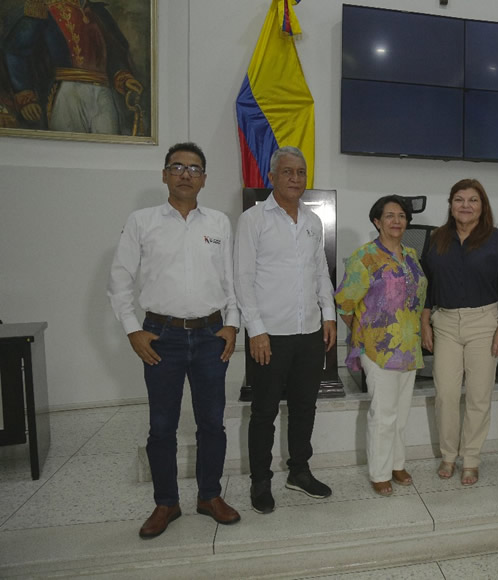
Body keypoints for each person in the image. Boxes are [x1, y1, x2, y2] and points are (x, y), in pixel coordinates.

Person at [107, 142, 240, 538]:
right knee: (162, 427)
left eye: (194, 168)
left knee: (212, 423)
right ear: (164, 174)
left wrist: (232, 324)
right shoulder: (142, 221)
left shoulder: (218, 223)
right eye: (177, 166)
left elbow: (230, 281)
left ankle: (209, 495)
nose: (186, 173)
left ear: (203, 179)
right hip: (160, 337)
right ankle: (166, 502)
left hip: (211, 337)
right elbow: (119, 279)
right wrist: (133, 328)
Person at [234, 146, 337, 514]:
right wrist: (255, 329)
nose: (295, 179)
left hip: (309, 331)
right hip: (269, 335)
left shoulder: (312, 222)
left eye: (301, 173)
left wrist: (329, 315)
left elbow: (320, 271)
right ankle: (260, 480)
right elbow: (242, 277)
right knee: (263, 411)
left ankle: (299, 471)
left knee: (305, 406)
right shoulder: (254, 219)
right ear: (273, 176)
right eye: (288, 172)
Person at [421, 179, 498, 486]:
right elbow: (427, 284)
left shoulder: (497, 239)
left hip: (485, 322)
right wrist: (425, 321)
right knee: (447, 395)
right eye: (459, 200)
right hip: (446, 323)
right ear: (451, 205)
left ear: (483, 206)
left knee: (478, 395)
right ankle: (449, 456)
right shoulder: (437, 238)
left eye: (472, 200)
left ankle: (472, 459)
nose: (465, 205)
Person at [334, 196, 427, 496]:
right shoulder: (365, 257)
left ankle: (397, 464)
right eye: (389, 216)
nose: (397, 221)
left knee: (400, 414)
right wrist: (367, 331)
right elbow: (345, 302)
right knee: (383, 414)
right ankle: (379, 472)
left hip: (409, 346)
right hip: (379, 350)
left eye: (402, 216)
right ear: (377, 221)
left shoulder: (411, 255)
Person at [3, 0, 144, 134]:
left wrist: (124, 77)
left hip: (104, 93)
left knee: (107, 149)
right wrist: (25, 93)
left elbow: (115, 50)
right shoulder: (43, 9)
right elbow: (15, 50)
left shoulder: (99, 12)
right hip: (68, 92)